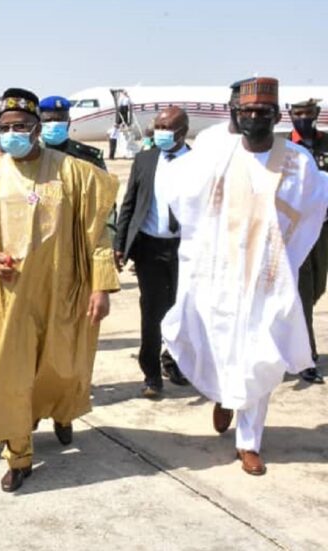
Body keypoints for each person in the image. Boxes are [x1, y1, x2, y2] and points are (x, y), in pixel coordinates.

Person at [0, 88, 119, 492]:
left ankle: (61, 412)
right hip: (9, 300)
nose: (14, 133)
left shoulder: (73, 172)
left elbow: (98, 234)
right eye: (5, 127)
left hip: (63, 293)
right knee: (11, 375)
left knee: (61, 367)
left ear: (37, 127)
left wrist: (101, 286)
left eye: (21, 125)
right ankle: (19, 455)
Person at [162, 78, 328, 476]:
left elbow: (312, 209)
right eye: (248, 111)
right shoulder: (218, 153)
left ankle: (249, 442)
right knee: (220, 345)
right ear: (237, 114)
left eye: (263, 112)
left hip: (270, 277)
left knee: (262, 355)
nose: (255, 117)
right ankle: (225, 395)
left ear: (275, 115)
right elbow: (181, 193)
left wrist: (285, 253)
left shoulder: (298, 160)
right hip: (221, 275)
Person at [115, 106, 191, 398]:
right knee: (152, 312)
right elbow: (129, 203)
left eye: (166, 128)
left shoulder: (198, 162)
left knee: (182, 310)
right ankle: (151, 374)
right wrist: (120, 244)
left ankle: (175, 362)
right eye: (157, 127)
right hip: (150, 248)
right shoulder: (145, 160)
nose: (159, 132)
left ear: (183, 132)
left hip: (186, 248)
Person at [288, 99, 328, 384]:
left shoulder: (327, 143)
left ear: (317, 114)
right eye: (298, 113)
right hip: (298, 230)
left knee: (317, 287)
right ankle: (306, 357)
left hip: (323, 228)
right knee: (302, 292)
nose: (303, 117)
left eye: (308, 113)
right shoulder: (284, 148)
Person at [39, 95, 106, 169]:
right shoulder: (31, 155)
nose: (54, 124)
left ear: (69, 122)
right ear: (39, 124)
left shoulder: (89, 156)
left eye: (59, 120)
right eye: (48, 120)